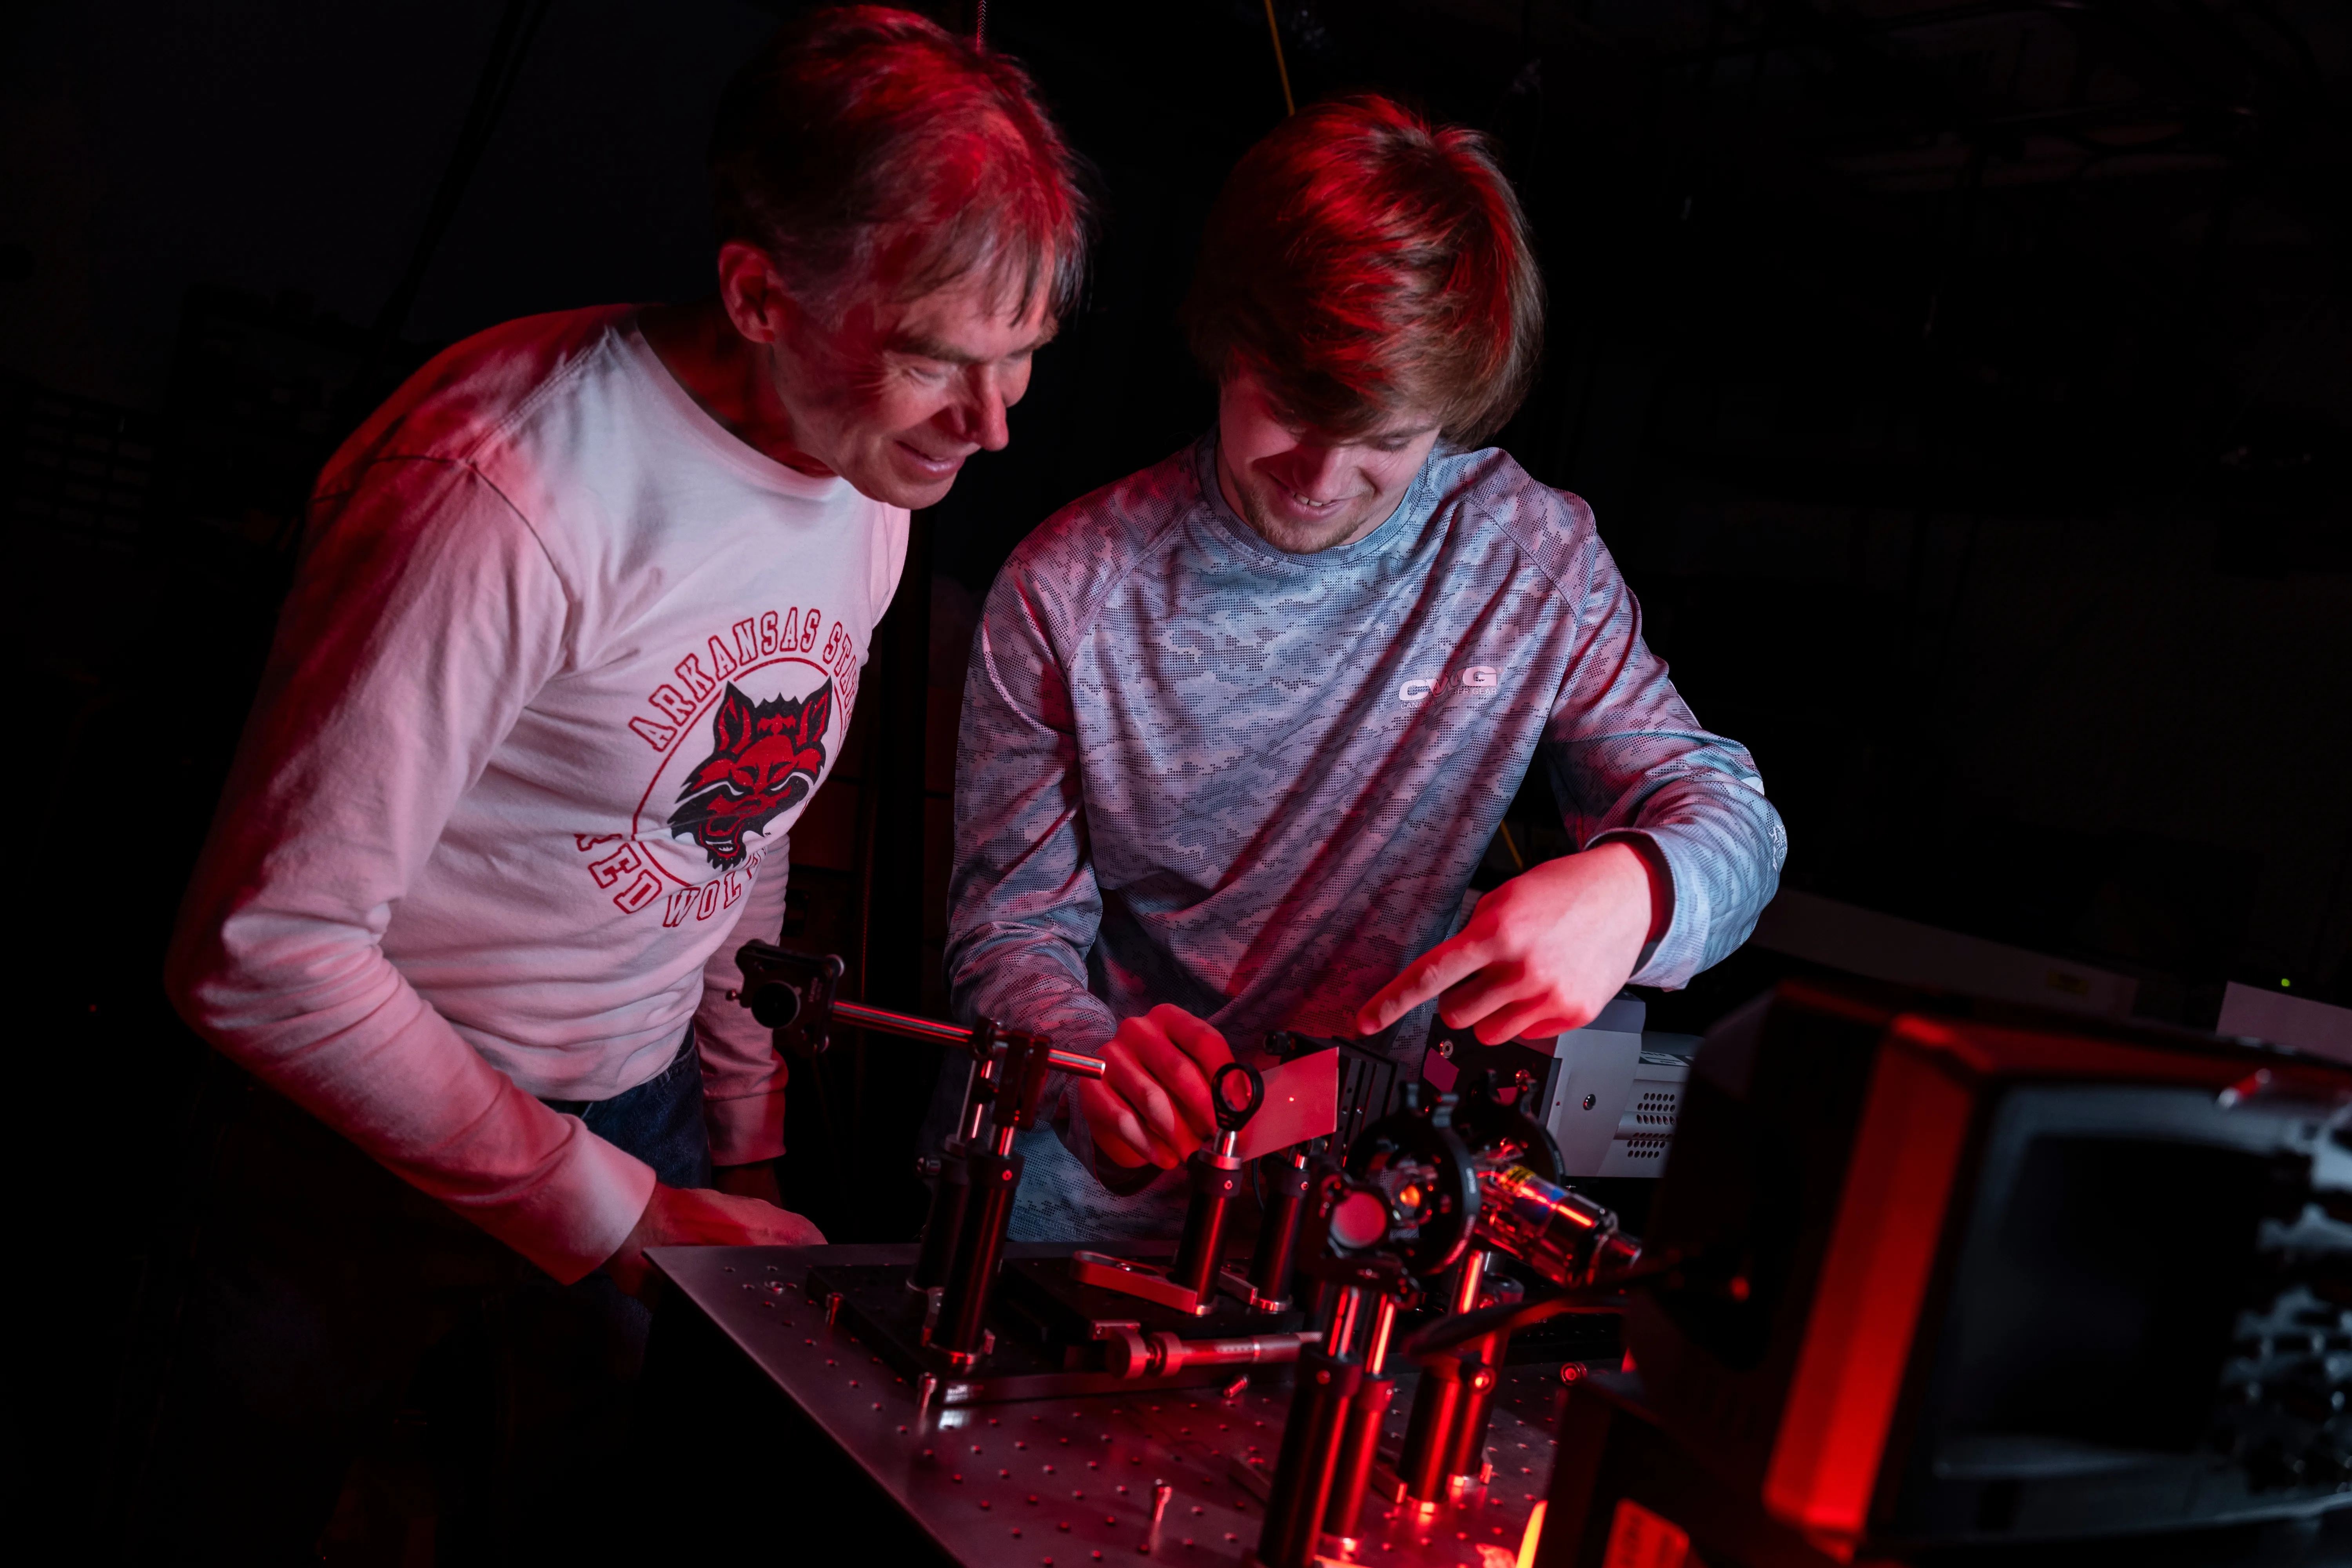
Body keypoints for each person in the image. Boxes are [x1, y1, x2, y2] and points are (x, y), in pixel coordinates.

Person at [128, 9, 1085, 1558]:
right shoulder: (508, 492)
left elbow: (734, 822)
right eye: (938, 363)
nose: (992, 426)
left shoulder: (868, 477)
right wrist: (621, 1214)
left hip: (638, 1120)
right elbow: (261, 953)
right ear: (761, 293)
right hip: (338, 1155)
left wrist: (741, 1129)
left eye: (1025, 362)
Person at [946, 94, 1784, 1241]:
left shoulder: (1526, 561)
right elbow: (1006, 938)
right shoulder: (1071, 588)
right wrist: (1092, 1059)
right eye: (1291, 409)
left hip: (1353, 1230)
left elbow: (1732, 821)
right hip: (1072, 1225)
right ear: (1227, 340)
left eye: (1387, 437)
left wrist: (1636, 892)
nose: (1320, 479)